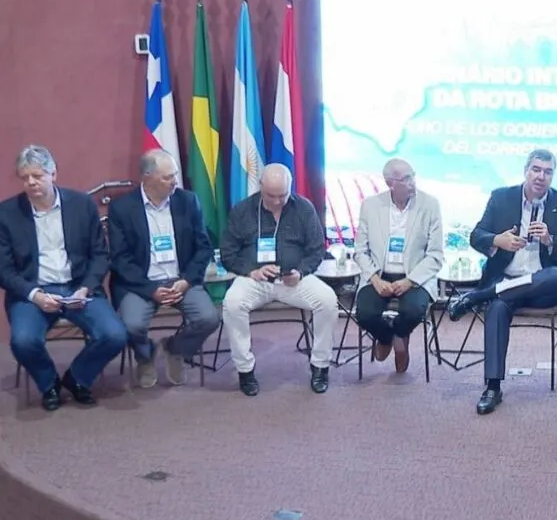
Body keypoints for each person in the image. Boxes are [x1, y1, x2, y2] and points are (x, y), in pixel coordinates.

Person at [448, 148, 557, 414]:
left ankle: (478, 296)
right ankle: (492, 387)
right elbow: (476, 235)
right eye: (536, 170)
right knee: (498, 306)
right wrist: (496, 241)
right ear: (526, 170)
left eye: (547, 172)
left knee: (556, 276)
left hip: (544, 286)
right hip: (507, 283)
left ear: (553, 176)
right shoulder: (501, 198)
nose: (541, 177)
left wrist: (551, 241)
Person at [0, 145, 128, 410]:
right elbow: (4, 270)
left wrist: (86, 288)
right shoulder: (6, 214)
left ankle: (77, 377)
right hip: (32, 292)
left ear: (53, 174)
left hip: (77, 288)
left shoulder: (81, 205)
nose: (31, 182)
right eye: (25, 177)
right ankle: (49, 384)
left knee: (114, 334)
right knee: (23, 341)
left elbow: (100, 254)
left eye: (37, 175)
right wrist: (35, 295)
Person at [219, 163, 336, 396]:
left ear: (290, 187)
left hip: (293, 279)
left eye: (283, 195)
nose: (277, 201)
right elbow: (227, 253)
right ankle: (245, 369)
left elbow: (316, 250)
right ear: (260, 187)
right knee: (232, 304)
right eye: (271, 196)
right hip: (254, 279)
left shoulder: (304, 208)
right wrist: (251, 270)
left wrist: (300, 272)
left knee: (327, 301)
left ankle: (320, 365)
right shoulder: (243, 210)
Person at [107, 149, 220, 387]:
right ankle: (145, 355)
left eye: (175, 175)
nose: (174, 182)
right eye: (167, 177)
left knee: (209, 318)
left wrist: (187, 280)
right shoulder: (122, 208)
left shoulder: (188, 201)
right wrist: (150, 290)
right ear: (147, 178)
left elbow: (203, 247)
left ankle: (175, 348)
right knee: (132, 324)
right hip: (140, 284)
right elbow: (120, 259)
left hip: (180, 280)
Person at [354, 158, 443, 372]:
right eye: (406, 179)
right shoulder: (371, 206)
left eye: (413, 176)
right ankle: (386, 338)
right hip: (379, 275)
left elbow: (435, 255)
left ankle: (401, 337)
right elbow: (360, 251)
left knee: (414, 311)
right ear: (390, 183)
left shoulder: (430, 205)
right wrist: (375, 279)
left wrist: (409, 281)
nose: (412, 182)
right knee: (364, 313)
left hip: (414, 275)